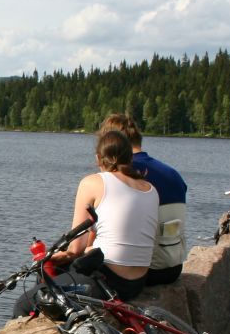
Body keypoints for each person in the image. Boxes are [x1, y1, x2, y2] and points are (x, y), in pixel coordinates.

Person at [13, 130, 158, 314]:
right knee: (56, 277)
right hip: (137, 282)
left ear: (98, 158)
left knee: (24, 303)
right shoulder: (150, 188)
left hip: (108, 282)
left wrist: (54, 256)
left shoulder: (93, 182)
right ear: (130, 158)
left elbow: (75, 249)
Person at [97, 113, 187, 285]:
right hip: (174, 267)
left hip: (145, 271)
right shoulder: (172, 173)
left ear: (111, 143)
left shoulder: (122, 174)